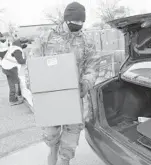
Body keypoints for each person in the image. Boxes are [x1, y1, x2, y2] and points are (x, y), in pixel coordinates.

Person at [40, 2, 101, 165]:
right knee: (51, 134)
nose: (78, 26)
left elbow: (93, 65)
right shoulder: (47, 37)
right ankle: (53, 151)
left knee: (72, 135)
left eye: (82, 23)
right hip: (51, 96)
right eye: (75, 22)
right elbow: (32, 66)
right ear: (66, 19)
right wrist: (36, 88)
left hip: (74, 95)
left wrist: (86, 83)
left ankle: (64, 159)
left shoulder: (87, 39)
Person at [1, 39, 27, 106]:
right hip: (10, 68)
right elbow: (21, 61)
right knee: (15, 83)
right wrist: (27, 58)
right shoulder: (17, 50)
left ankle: (13, 97)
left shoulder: (14, 46)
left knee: (11, 83)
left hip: (5, 66)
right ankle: (13, 100)